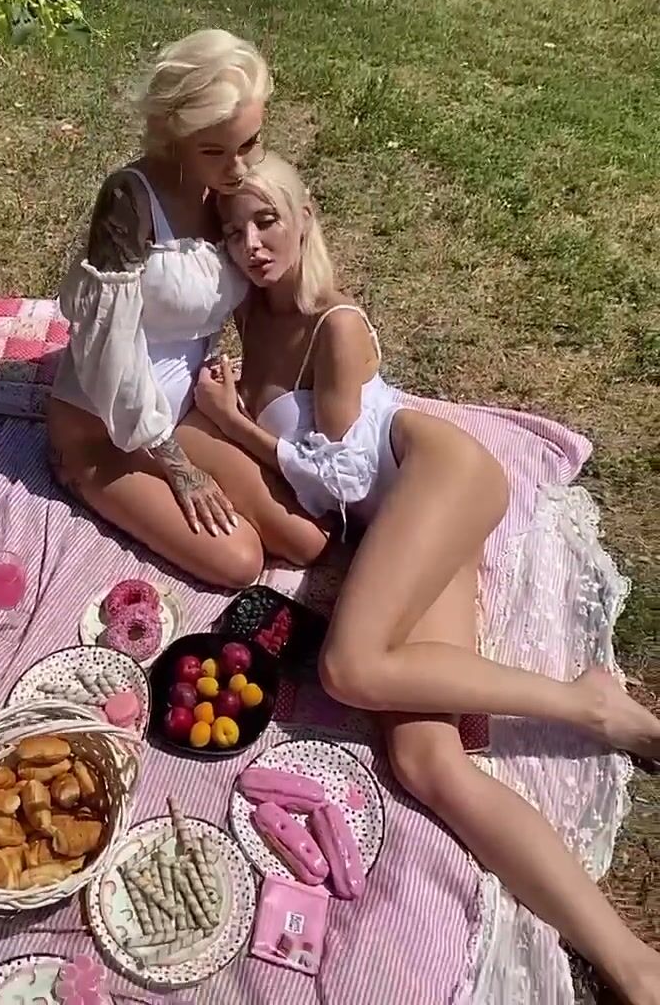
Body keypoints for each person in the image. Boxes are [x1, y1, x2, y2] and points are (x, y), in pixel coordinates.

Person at [194, 150, 660, 1004]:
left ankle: (590, 705)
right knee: (425, 763)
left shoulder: (336, 324)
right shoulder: (250, 315)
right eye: (232, 231)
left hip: (436, 475)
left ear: (304, 217)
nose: (250, 244)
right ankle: (632, 961)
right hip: (399, 526)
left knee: (348, 666)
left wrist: (235, 426)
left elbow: (340, 476)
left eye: (266, 221)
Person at [47, 31, 328, 588]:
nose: (237, 167)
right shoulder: (129, 200)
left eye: (249, 143)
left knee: (307, 540)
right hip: (106, 430)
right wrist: (181, 469)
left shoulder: (225, 191)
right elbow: (109, 357)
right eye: (214, 151)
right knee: (240, 561)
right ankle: (73, 475)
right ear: (175, 134)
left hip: (187, 406)